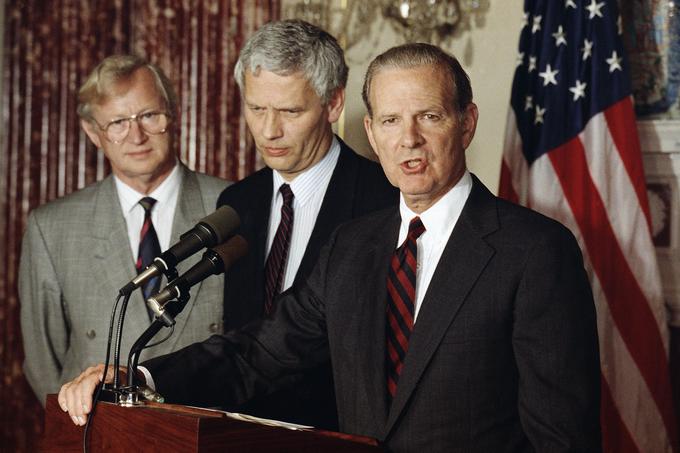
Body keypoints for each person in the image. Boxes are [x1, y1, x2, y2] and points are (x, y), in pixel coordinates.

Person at [59, 44, 602, 452]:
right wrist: (139, 377)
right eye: (390, 121)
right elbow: (260, 353)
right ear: (369, 129)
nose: (407, 139)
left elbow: (561, 439)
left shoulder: (535, 251)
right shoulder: (353, 246)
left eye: (429, 116)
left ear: (466, 123)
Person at [214, 20, 397, 429]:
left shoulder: (385, 201)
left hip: (339, 433)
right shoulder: (235, 203)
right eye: (256, 108)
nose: (268, 130)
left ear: (333, 104)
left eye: (290, 111)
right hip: (238, 432)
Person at [19, 55, 230, 405]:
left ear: (173, 114)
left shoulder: (232, 206)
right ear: (93, 133)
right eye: (117, 122)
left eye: (149, 116)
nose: (136, 135)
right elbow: (43, 365)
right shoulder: (52, 227)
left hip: (205, 431)